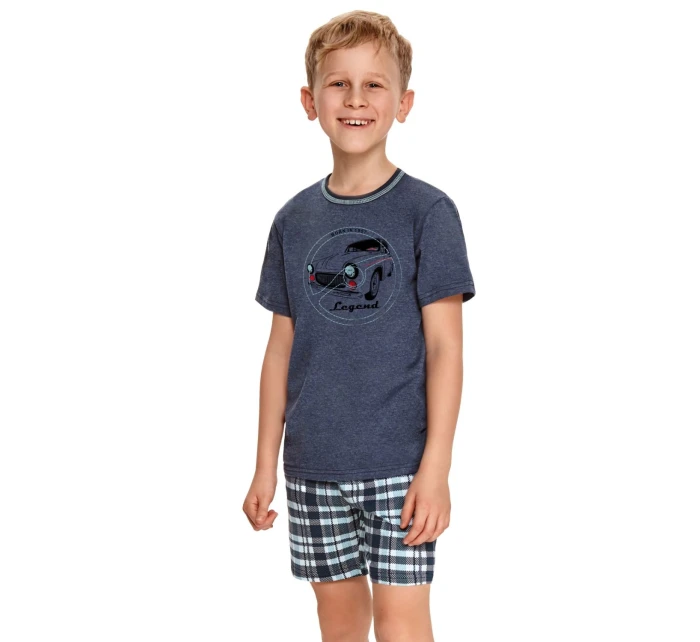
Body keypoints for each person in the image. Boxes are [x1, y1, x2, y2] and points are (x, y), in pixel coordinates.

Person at [243, 9, 476, 642]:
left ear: (403, 103)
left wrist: (436, 468)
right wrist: (265, 466)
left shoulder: (428, 212)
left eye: (374, 84)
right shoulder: (293, 220)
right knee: (339, 625)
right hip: (312, 467)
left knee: (402, 626)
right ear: (309, 101)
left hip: (400, 468)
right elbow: (279, 350)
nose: (355, 99)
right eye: (338, 83)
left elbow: (445, 348)